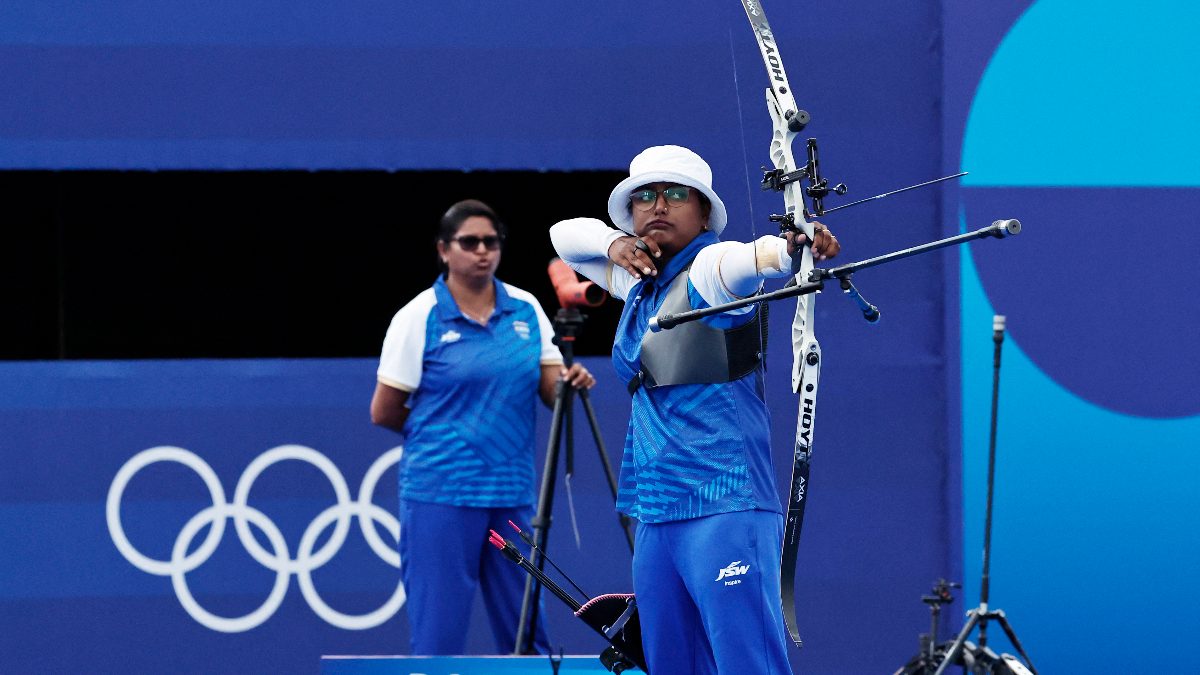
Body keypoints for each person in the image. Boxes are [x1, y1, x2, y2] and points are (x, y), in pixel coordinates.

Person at [549, 145, 840, 674]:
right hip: (658, 515)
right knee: (672, 667)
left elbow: (748, 260)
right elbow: (564, 236)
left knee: (747, 663)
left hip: (725, 507)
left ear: (704, 213)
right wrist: (615, 244)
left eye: (676, 194)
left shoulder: (709, 268)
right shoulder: (637, 284)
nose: (659, 205)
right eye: (645, 196)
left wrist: (791, 247)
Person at [370, 199, 595, 655]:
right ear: (443, 250)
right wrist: (447, 437)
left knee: (528, 637)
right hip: (441, 497)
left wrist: (571, 383)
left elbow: (553, 393)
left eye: (490, 242)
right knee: (438, 640)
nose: (482, 251)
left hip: (511, 496)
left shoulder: (527, 309)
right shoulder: (417, 317)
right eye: (469, 242)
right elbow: (385, 410)